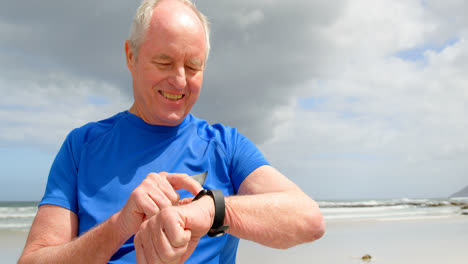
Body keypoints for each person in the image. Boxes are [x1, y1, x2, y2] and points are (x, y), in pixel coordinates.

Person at [18, 0, 325, 263]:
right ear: (131, 56)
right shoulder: (82, 147)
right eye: (163, 62)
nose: (179, 81)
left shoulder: (225, 146)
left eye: (193, 66)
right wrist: (120, 225)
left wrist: (212, 211)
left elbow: (308, 219)